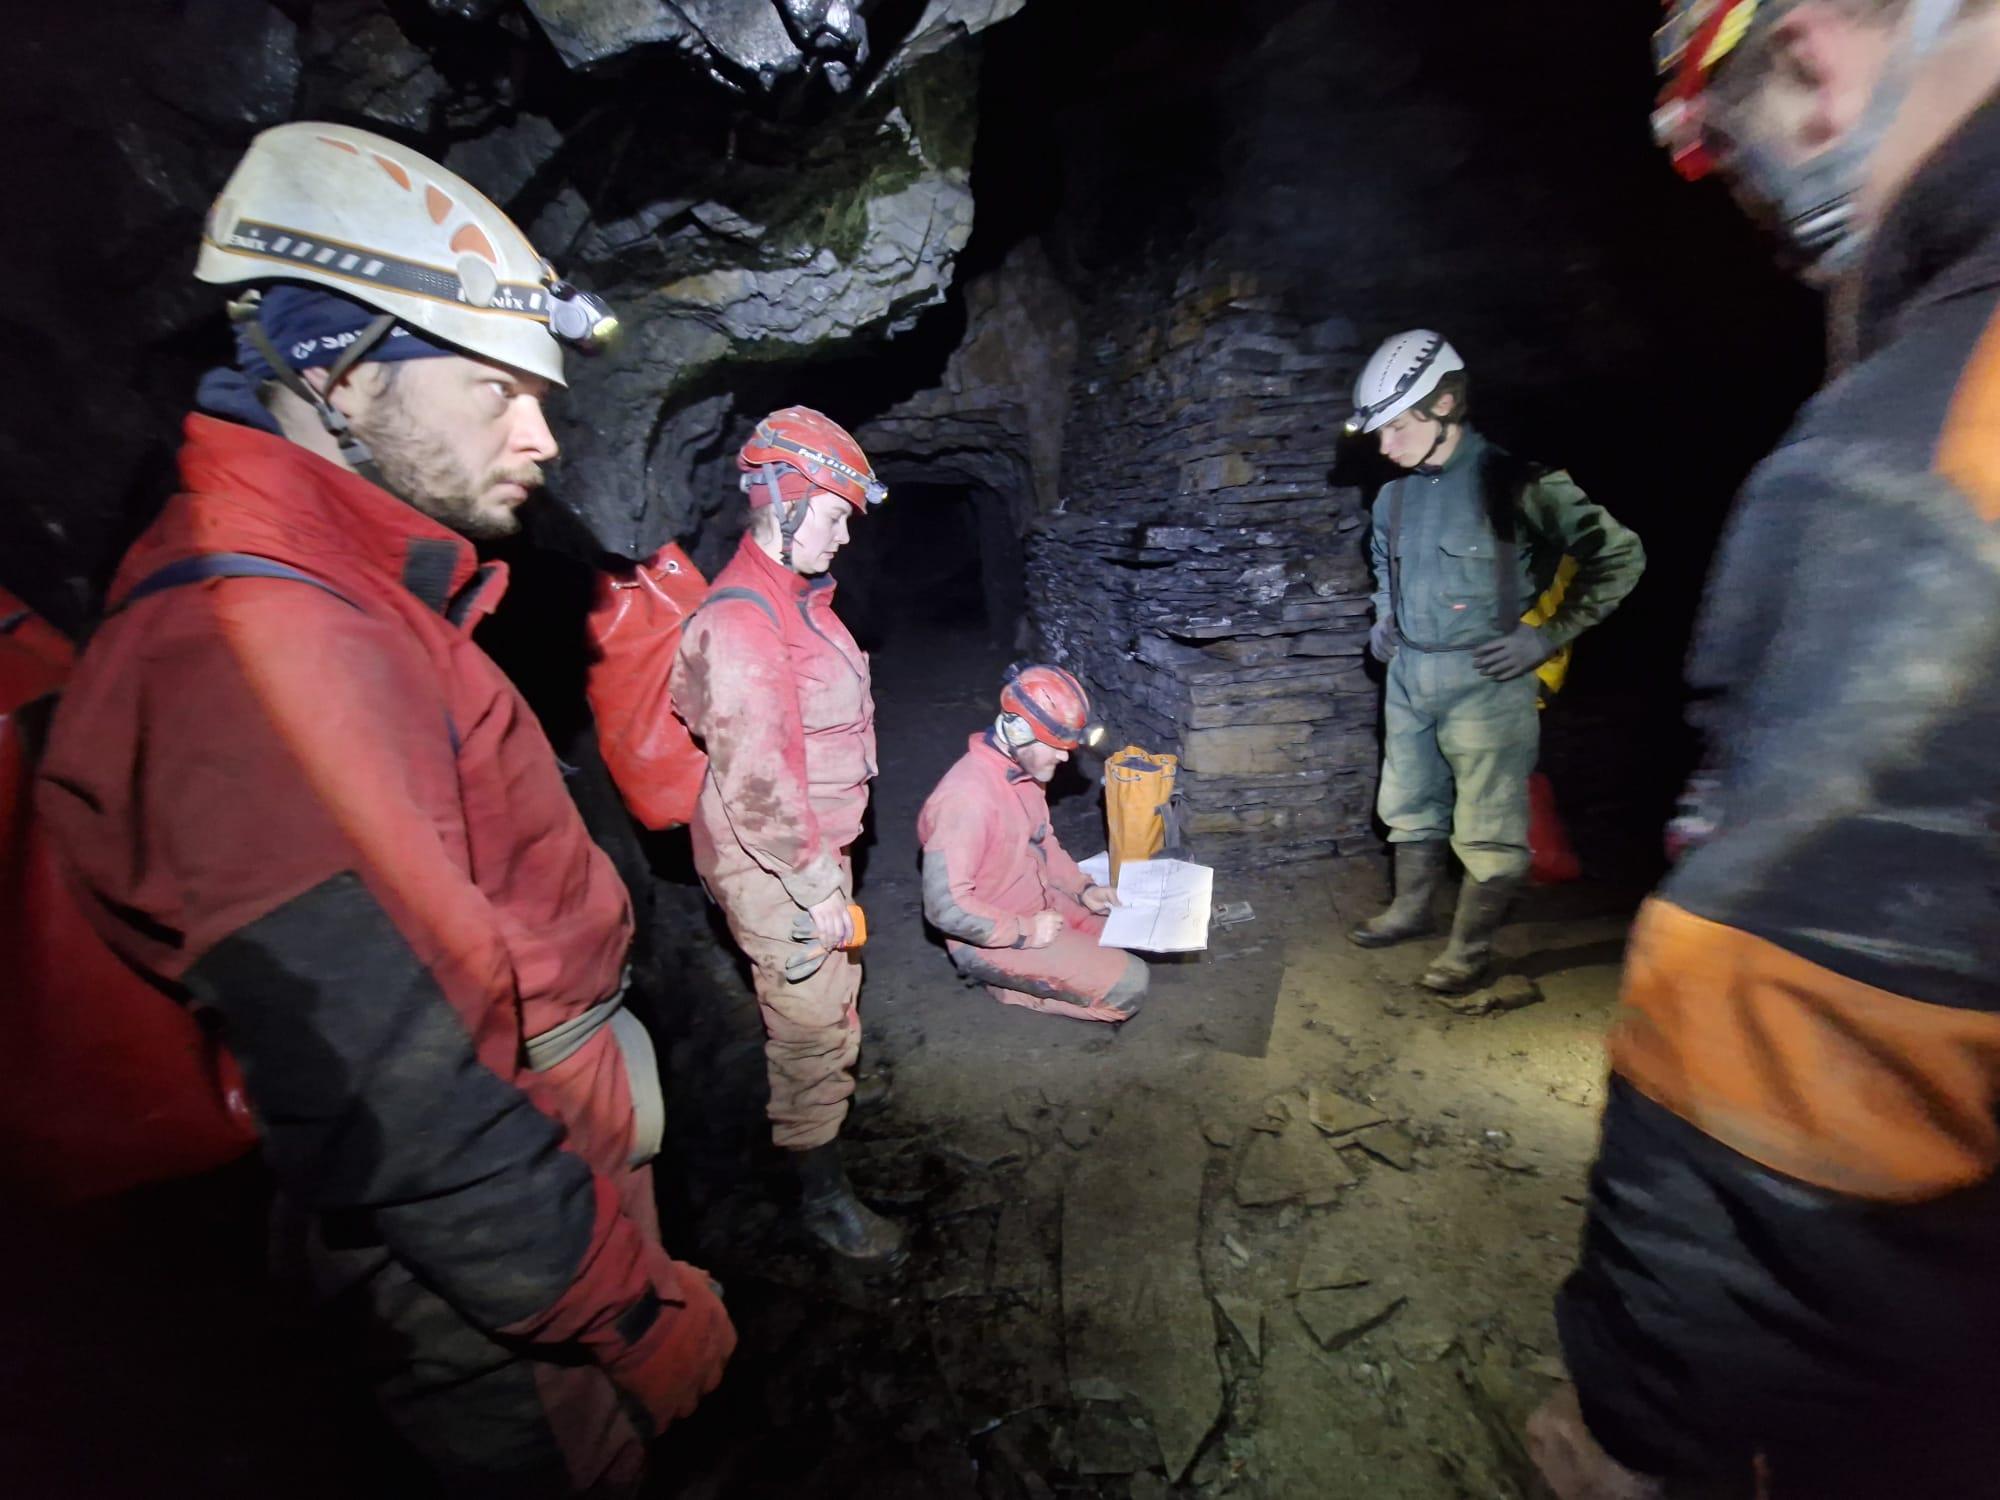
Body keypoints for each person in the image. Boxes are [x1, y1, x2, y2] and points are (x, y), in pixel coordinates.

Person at [33, 122, 732, 1497]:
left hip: (546, 1183)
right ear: (340, 373)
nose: (542, 436)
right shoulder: (267, 659)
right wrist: (624, 1312)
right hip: (496, 1294)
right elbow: (398, 1096)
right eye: (493, 390)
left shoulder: (351, 598)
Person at [1530, 3, 2000, 1496]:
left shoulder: (1930, 442)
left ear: (1805, 55)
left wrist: (1650, 1419)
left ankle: (1465, 936)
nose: (1757, 221)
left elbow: (1794, 1031)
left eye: (1726, 163)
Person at [668, 406, 906, 1265]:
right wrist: (816, 887)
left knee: (827, 1002)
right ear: (784, 498)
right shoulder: (743, 622)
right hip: (777, 866)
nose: (843, 536)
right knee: (809, 1021)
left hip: (805, 852)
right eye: (835, 516)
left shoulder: (794, 600)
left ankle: (824, 1121)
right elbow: (759, 783)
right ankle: (823, 1200)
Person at [1345, 332, 1645, 992]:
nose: (1385, 445)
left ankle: (1471, 948)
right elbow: (1385, 568)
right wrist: (1384, 619)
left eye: (1397, 426)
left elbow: (1619, 556)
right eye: (1381, 430)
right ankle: (1411, 910)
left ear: (1445, 404)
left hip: (1487, 679)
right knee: (1407, 802)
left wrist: (1546, 638)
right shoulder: (1395, 499)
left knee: (1489, 825)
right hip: (1409, 675)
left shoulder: (1520, 485)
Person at [916, 663, 1147, 1024]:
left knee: (1132, 937)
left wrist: (1083, 889)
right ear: (1017, 731)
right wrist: (1025, 931)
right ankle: (1011, 990)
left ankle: (1054, 958)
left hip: (1042, 903)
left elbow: (1043, 842)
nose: (1064, 757)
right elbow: (946, 908)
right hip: (995, 933)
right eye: (1055, 746)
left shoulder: (1024, 774)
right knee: (1130, 986)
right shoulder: (964, 800)